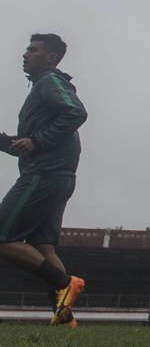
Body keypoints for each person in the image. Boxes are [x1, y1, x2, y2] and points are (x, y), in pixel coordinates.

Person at [0, 34, 87, 327]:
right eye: (26, 49)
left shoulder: (50, 82)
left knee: (3, 237)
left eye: (33, 50)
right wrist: (13, 143)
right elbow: (31, 141)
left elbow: (76, 112)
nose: (26, 54)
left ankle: (64, 282)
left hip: (45, 173)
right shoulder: (43, 86)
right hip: (57, 175)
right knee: (44, 247)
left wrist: (36, 142)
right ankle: (65, 318)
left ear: (51, 57)